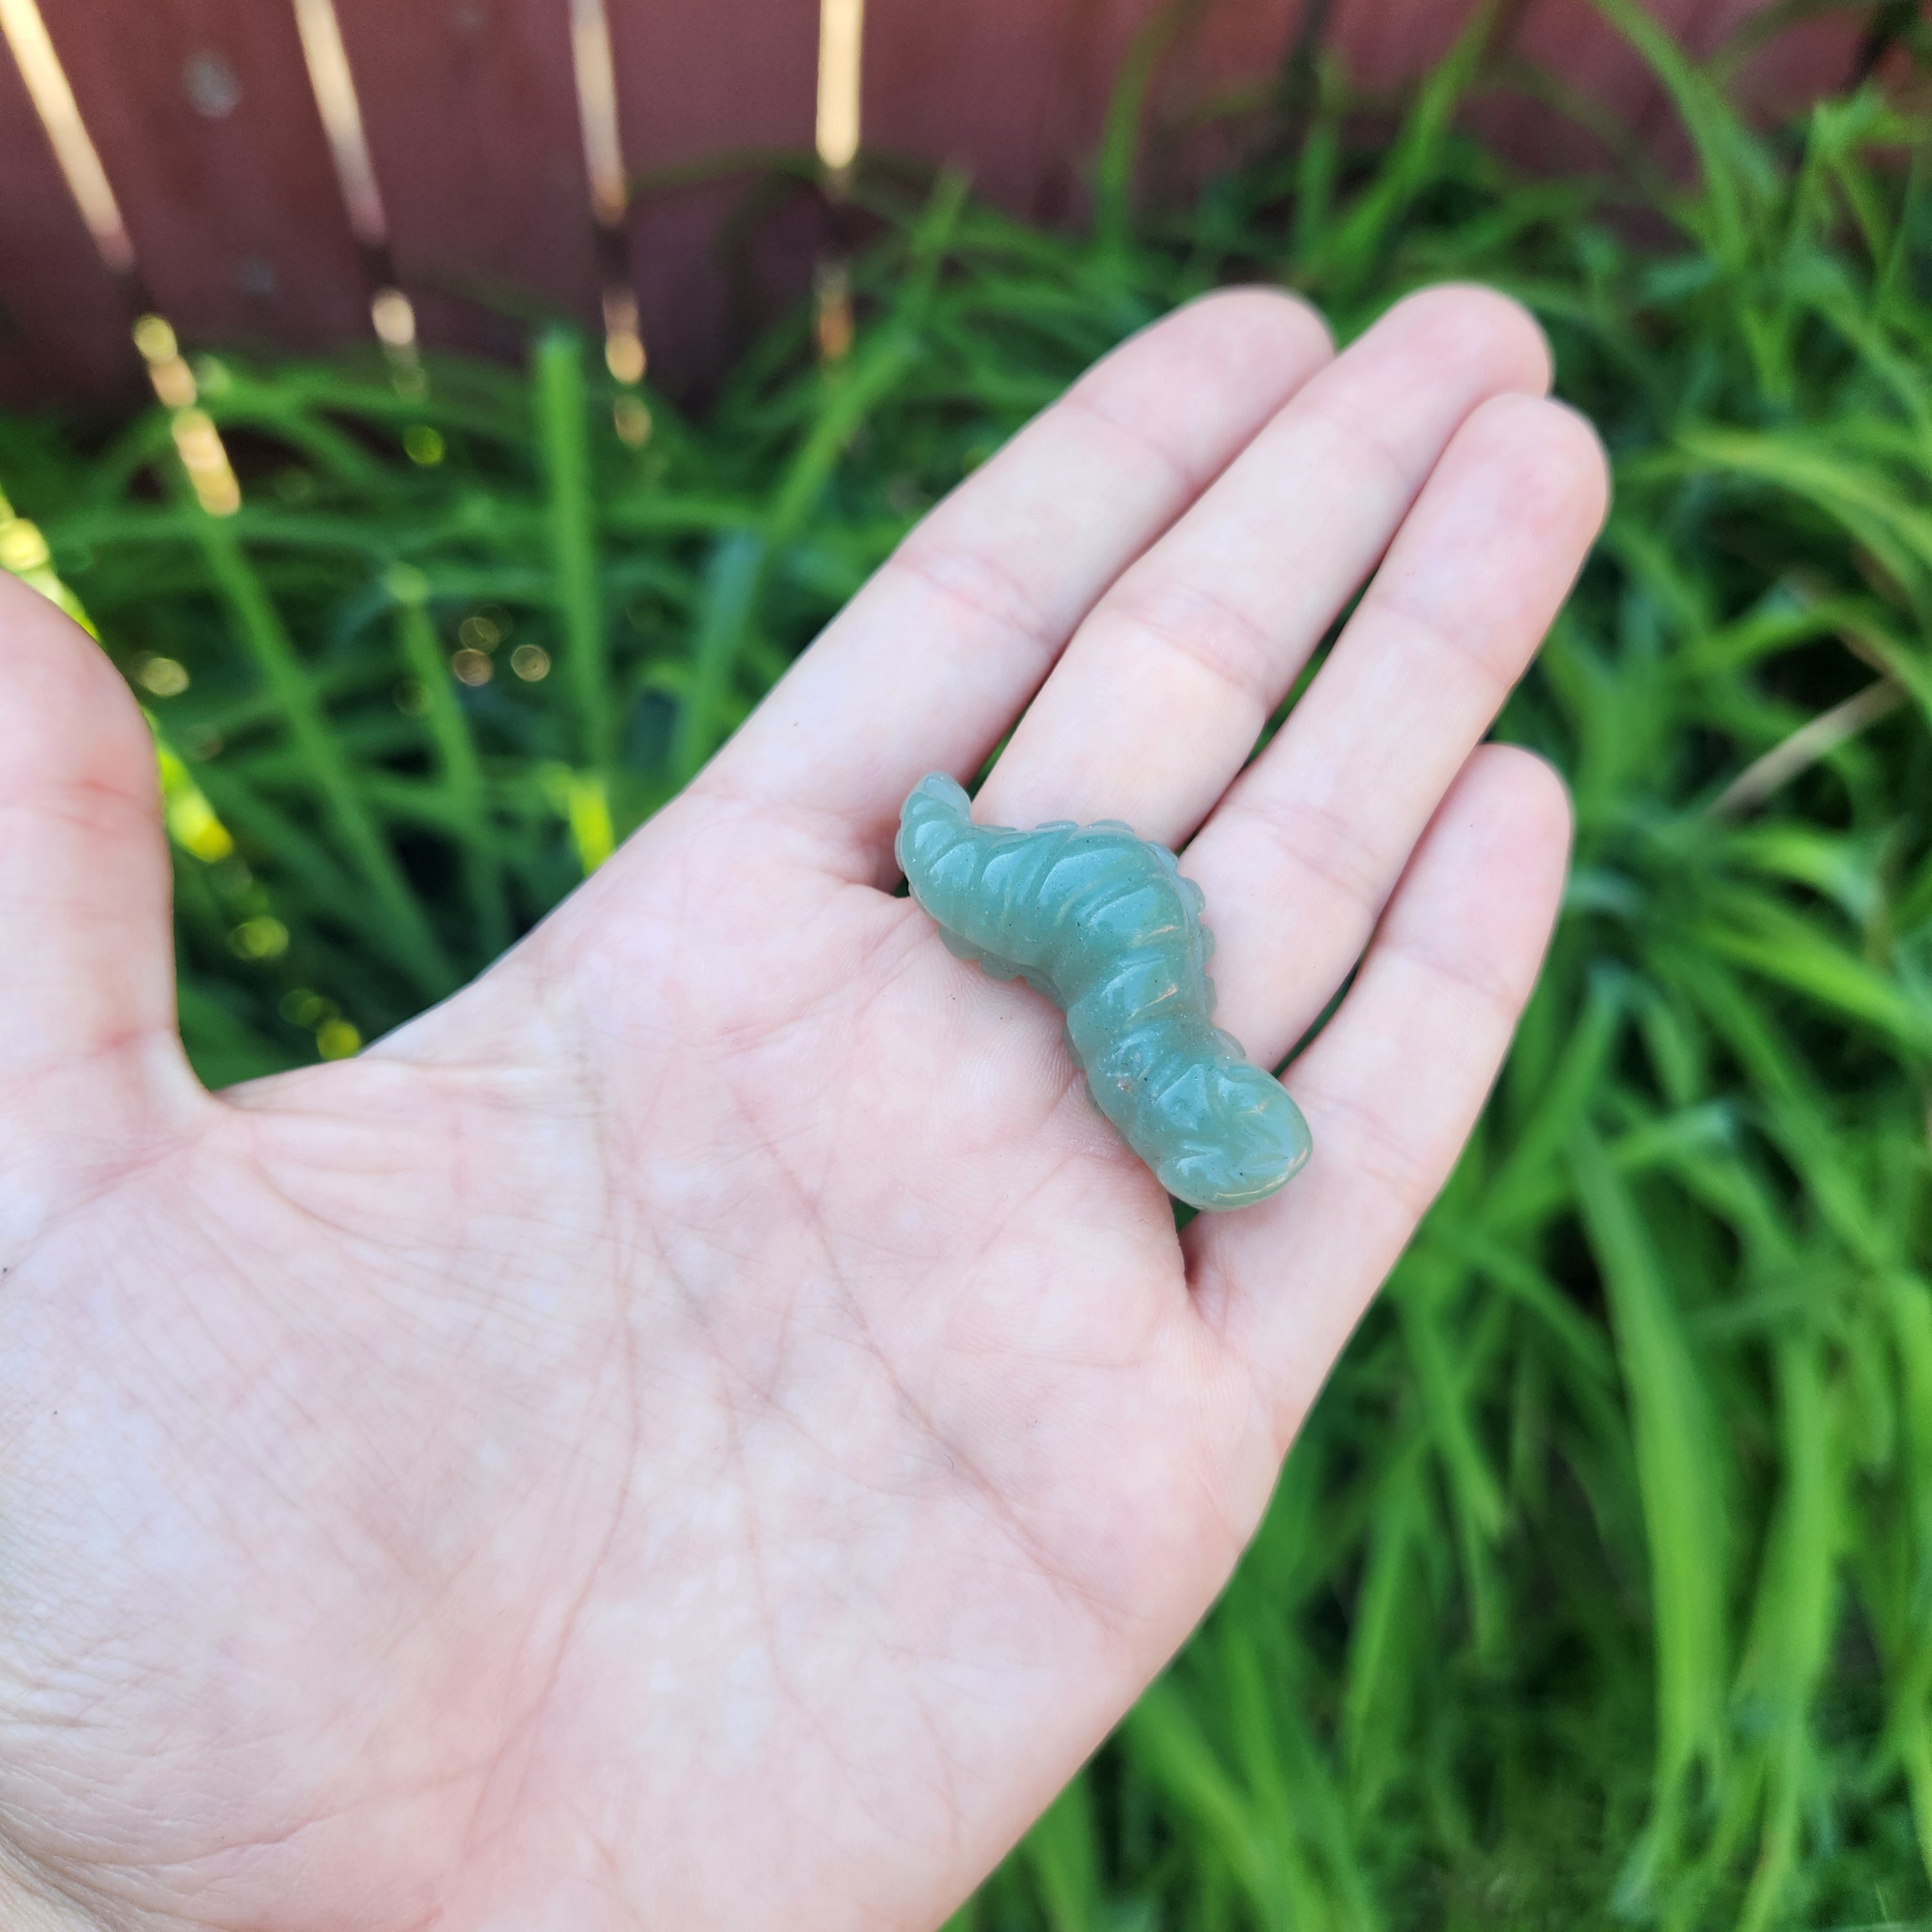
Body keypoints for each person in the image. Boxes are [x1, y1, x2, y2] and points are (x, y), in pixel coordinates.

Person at [0, 282, 1607, 1931]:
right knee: (1015, 894)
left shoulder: (1148, 1025)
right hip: (1062, 899)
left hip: (1081, 912)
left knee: (1052, 919)